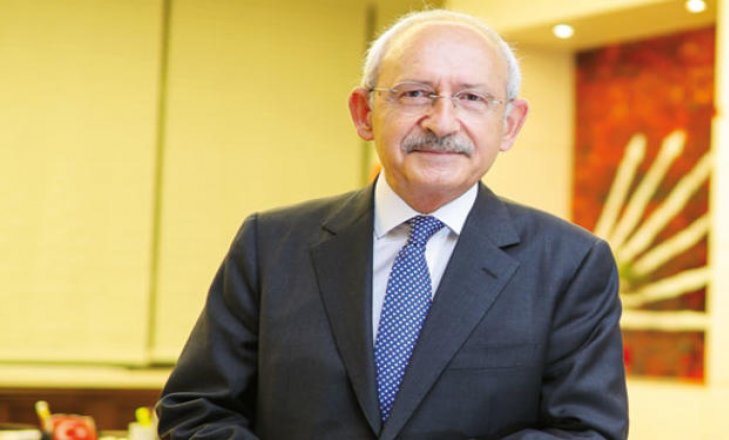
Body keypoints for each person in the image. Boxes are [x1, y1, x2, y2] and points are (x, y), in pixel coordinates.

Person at [156, 9, 628, 439]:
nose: (442, 122)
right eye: (415, 93)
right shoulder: (271, 245)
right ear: (364, 113)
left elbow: (587, 432)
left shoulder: (571, 264)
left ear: (509, 124)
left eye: (471, 97)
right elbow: (197, 411)